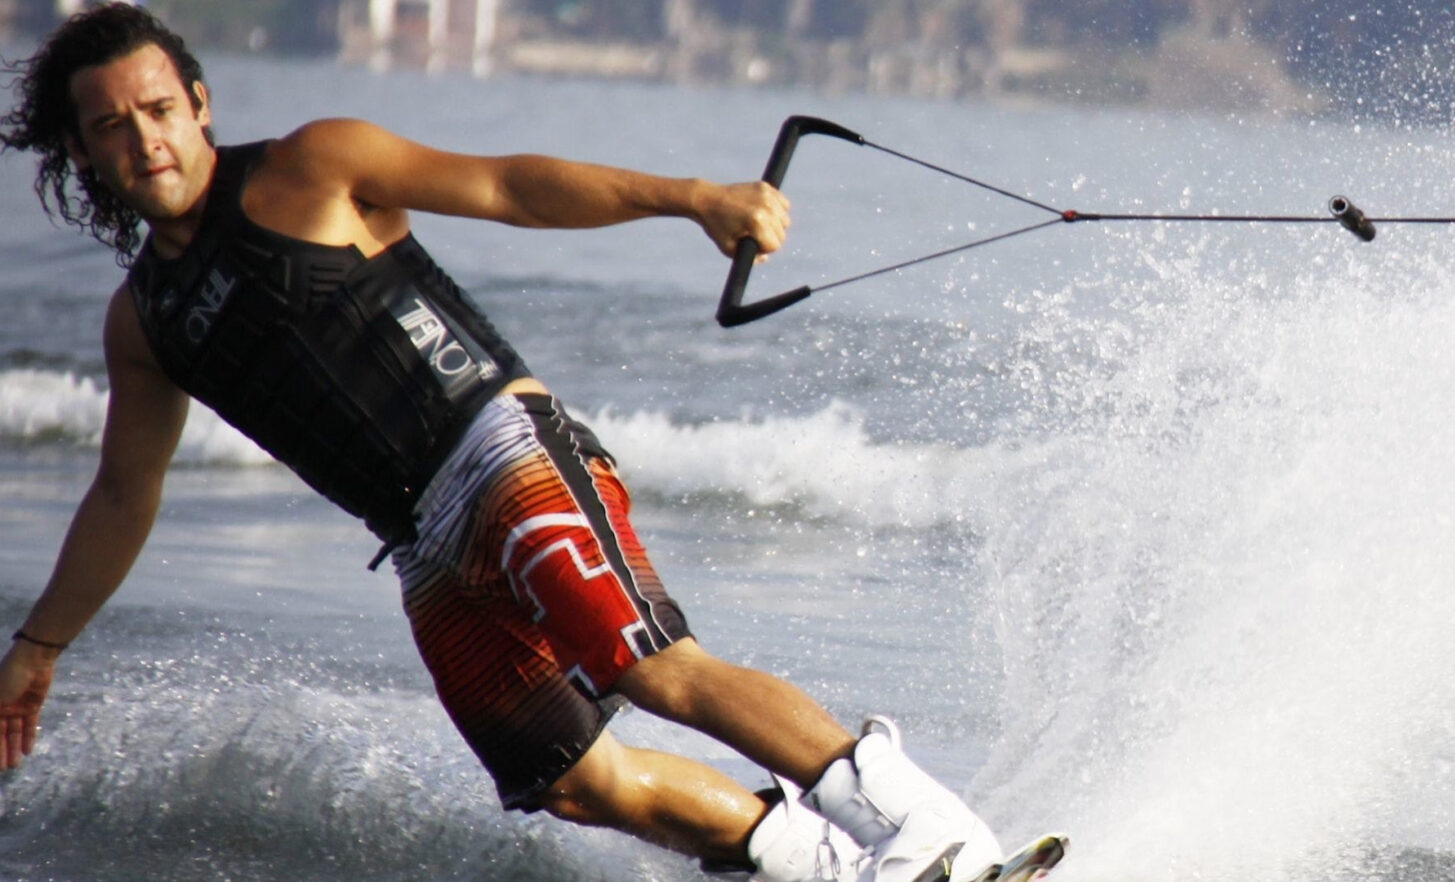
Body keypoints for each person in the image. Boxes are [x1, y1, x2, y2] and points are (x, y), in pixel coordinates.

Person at [0, 6, 1004, 882]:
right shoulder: (146, 324)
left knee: (650, 668)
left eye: (160, 110)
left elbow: (510, 186)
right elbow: (125, 496)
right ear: (82, 153)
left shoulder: (314, 165)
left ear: (200, 104)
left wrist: (692, 196)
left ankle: (924, 826)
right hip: (423, 546)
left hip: (497, 450)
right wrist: (40, 647)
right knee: (573, 783)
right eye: (113, 127)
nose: (146, 142)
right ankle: (823, 869)